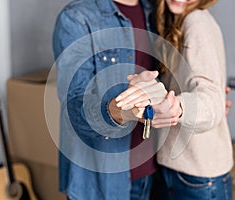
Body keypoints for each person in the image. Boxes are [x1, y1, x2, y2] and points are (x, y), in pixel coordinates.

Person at [116, 0, 234, 199]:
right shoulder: (172, 19)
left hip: (197, 174)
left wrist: (178, 107)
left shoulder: (196, 22)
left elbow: (211, 99)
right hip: (178, 168)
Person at [52, 0, 168, 199]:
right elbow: (74, 107)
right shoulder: (77, 17)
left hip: (151, 169)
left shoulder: (155, 10)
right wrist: (120, 111)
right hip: (101, 179)